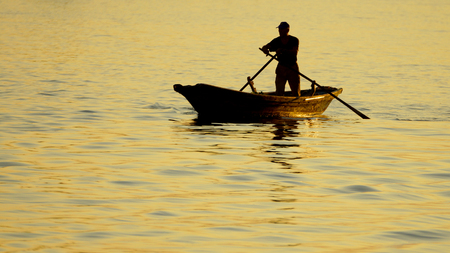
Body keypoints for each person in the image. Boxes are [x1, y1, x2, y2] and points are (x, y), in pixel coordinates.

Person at [261, 22, 301, 96]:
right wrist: (265, 49)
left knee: (296, 93)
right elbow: (266, 46)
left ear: (287, 30)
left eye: (282, 29)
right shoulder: (276, 41)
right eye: (279, 29)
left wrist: (283, 50)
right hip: (281, 68)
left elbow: (295, 52)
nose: (280, 31)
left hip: (292, 68)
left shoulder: (294, 40)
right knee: (279, 93)